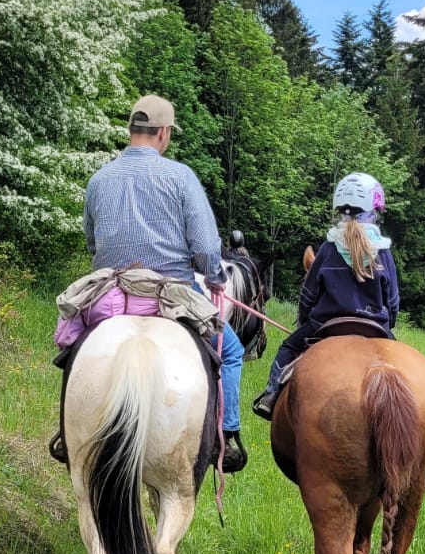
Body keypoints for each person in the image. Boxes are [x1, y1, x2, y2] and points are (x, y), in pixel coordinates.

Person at [53, 95, 247, 472]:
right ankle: (226, 434)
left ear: (131, 130)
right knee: (233, 350)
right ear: (163, 133)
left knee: (75, 349)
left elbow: (92, 243)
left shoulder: (99, 179)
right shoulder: (180, 177)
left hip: (110, 290)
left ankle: (66, 432)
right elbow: (207, 246)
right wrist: (215, 277)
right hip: (168, 292)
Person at [251, 172, 399, 421]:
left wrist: (304, 318)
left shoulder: (329, 248)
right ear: (374, 211)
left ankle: (271, 393)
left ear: (340, 209)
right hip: (375, 326)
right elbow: (392, 299)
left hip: (326, 326)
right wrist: (388, 322)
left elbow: (309, 293)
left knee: (287, 348)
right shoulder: (382, 251)